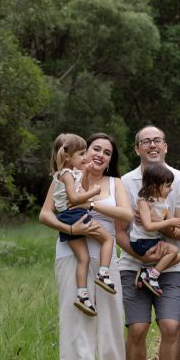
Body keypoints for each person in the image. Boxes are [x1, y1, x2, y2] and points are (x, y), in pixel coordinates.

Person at [39, 132, 132, 360]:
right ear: (84, 152)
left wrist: (89, 203)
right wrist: (71, 228)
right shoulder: (67, 176)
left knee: (110, 328)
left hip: (104, 259)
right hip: (71, 254)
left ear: (110, 159)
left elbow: (127, 216)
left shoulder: (115, 184)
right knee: (76, 326)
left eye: (107, 152)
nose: (100, 155)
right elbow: (46, 214)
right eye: (95, 149)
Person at [114, 125, 180, 360]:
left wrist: (165, 242)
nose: (152, 145)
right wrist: (145, 255)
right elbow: (121, 231)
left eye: (157, 140)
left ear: (166, 146)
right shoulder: (124, 183)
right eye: (145, 141)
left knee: (171, 326)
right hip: (132, 265)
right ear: (137, 149)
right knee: (137, 329)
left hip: (168, 267)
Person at [49, 133, 118, 316]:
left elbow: (81, 186)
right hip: (75, 215)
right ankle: (103, 273)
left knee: (84, 259)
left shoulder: (70, 173)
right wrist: (93, 193)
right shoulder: (66, 174)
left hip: (68, 217)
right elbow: (75, 197)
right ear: (68, 157)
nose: (85, 157)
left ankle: (82, 295)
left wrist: (85, 172)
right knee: (108, 240)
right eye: (81, 154)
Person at [130, 164, 180, 296]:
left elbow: (171, 224)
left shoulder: (162, 201)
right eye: (167, 186)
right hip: (141, 241)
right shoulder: (144, 202)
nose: (171, 189)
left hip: (152, 240)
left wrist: (174, 225)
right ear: (155, 186)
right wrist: (170, 221)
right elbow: (148, 226)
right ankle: (151, 276)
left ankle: (147, 272)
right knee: (174, 251)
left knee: (177, 257)